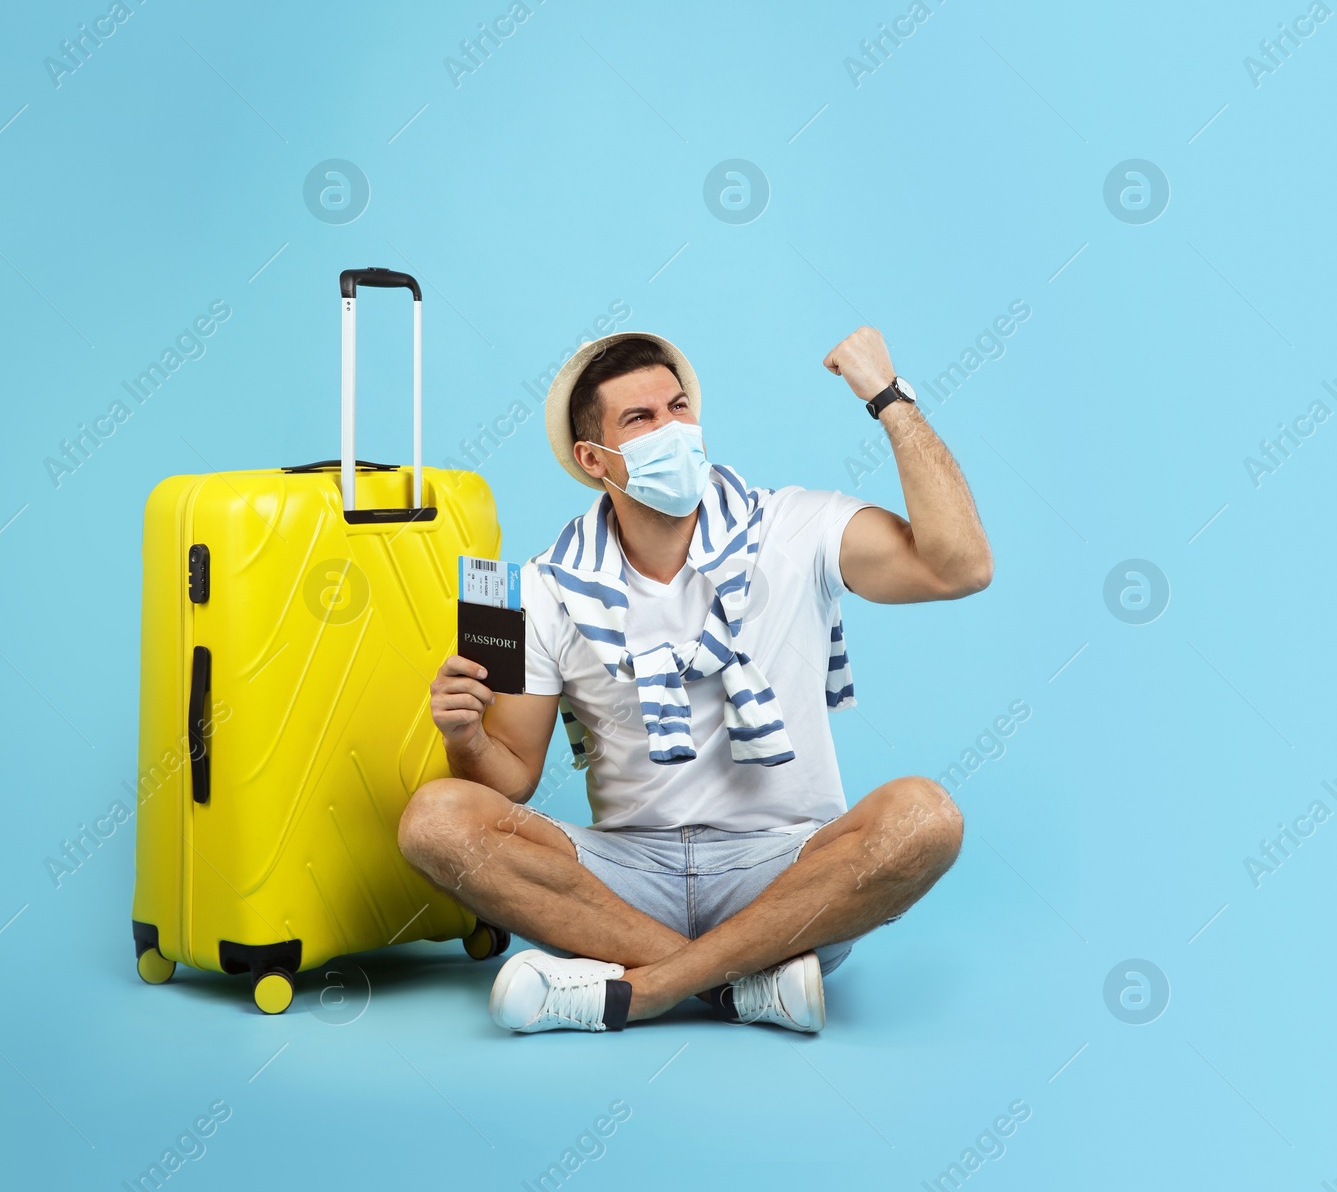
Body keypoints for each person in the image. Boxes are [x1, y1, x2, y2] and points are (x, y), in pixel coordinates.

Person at [397, 327, 991, 1034]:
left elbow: (961, 567)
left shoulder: (794, 525)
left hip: (787, 874)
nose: (672, 430)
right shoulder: (541, 588)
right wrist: (464, 734)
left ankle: (646, 992)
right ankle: (739, 984)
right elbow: (508, 782)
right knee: (434, 817)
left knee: (926, 817)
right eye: (641, 419)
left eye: (679, 408)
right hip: (623, 882)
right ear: (595, 460)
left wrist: (890, 398)